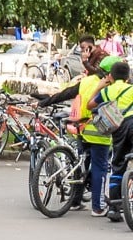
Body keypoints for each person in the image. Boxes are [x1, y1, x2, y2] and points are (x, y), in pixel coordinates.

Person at [37, 58, 114, 216]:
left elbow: (68, 93)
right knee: (100, 168)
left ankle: (76, 201)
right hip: (99, 131)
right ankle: (97, 207)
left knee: (80, 165)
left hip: (82, 128)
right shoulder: (110, 85)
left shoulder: (86, 81)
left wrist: (44, 102)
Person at [86, 59, 133, 221]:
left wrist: (99, 87)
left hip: (118, 129)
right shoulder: (131, 89)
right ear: (128, 77)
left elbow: (90, 105)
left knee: (117, 165)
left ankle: (114, 207)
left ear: (111, 76)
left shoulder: (108, 91)